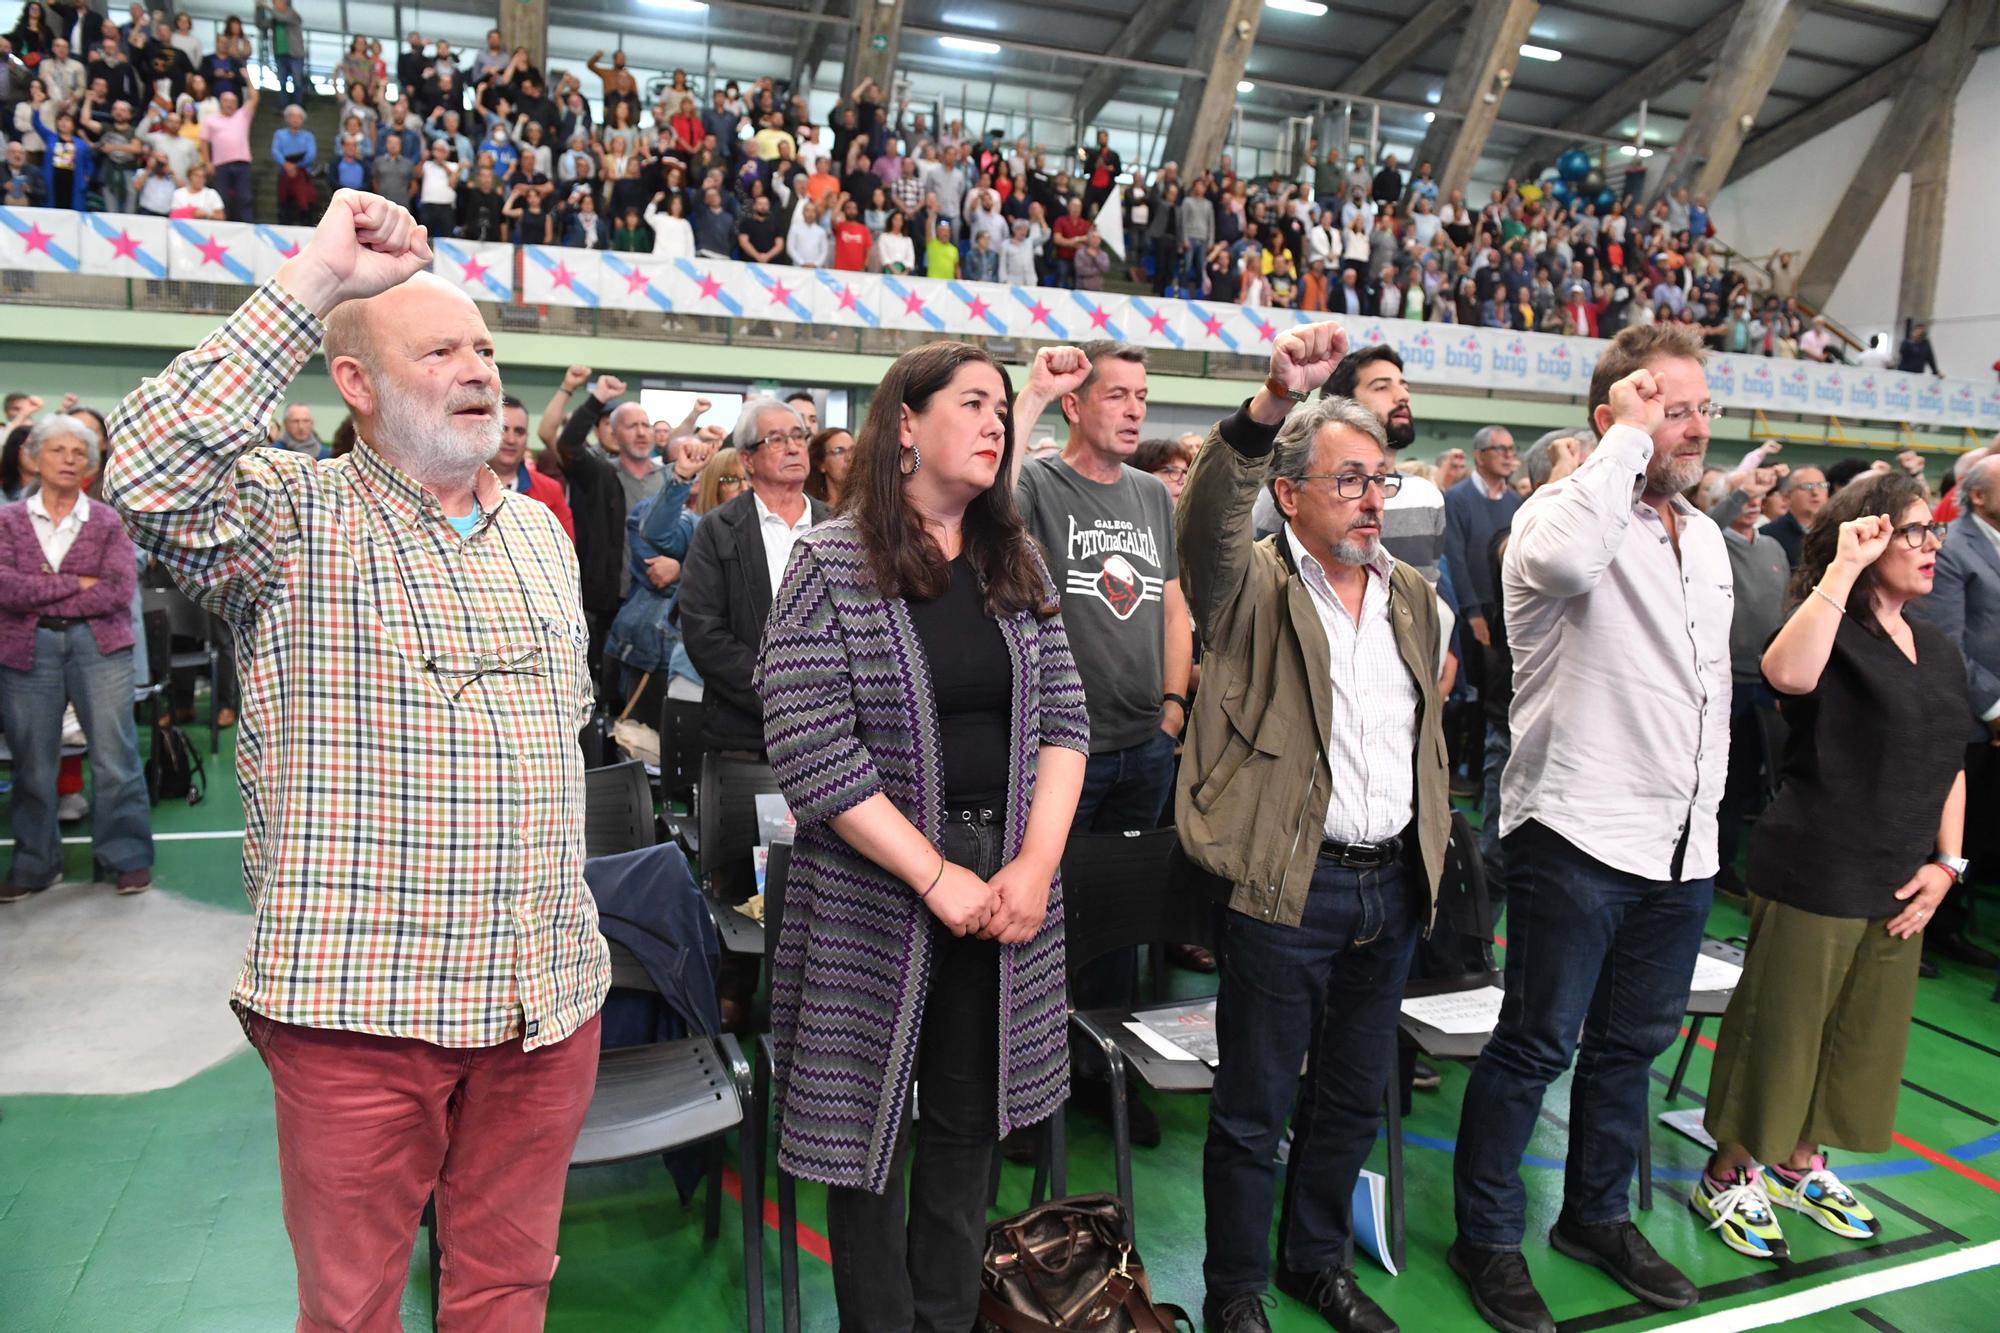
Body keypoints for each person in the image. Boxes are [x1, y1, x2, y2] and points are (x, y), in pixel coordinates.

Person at [102, 190, 608, 1328]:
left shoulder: (535, 528)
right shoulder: (290, 517)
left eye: (484, 345)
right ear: (357, 385)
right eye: (438, 349)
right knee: (351, 1306)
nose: (477, 366)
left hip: (544, 998)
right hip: (361, 1009)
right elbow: (141, 465)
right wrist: (315, 281)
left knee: (508, 1287)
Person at [756, 340, 1088, 1331]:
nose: (996, 423)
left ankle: (945, 1315)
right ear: (905, 422)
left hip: (1007, 882)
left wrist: (1032, 864)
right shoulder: (830, 560)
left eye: (1001, 407)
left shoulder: (1011, 556)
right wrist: (933, 872)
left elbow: (1064, 722)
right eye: (974, 403)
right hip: (876, 888)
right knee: (864, 1139)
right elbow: (810, 748)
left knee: (966, 1123)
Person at [1452, 325, 1731, 1333]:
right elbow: (1569, 564)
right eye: (1670, 406)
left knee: (1629, 1048)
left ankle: (1594, 1215)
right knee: (1533, 1045)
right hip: (1574, 831)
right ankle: (1484, 1236)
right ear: (1615, 412)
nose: (1690, 425)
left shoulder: (1699, 536)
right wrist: (1623, 436)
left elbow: (1704, 688)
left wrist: (1703, 816)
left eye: (1699, 407)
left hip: (1678, 843)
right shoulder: (1554, 513)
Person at [1180, 324, 1449, 1333]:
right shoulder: (1249, 583)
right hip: (1286, 887)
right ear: (1288, 494)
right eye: (1348, 480)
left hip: (1390, 887)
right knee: (1252, 1110)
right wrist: (1263, 409)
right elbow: (1205, 523)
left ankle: (1314, 1261)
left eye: (1378, 479)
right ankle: (1234, 1290)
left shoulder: (1409, 597)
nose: (1372, 499)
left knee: (1346, 1101)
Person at [1694, 475, 1965, 1259]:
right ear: (1868, 535)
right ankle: (1727, 1172)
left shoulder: (1937, 644)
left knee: (1859, 1038)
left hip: (1903, 877)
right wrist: (1842, 570)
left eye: (1932, 532)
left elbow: (1951, 761)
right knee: (1781, 1032)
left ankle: (1797, 1162)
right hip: (1819, 864)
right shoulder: (1830, 623)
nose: (1929, 547)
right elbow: (1787, 675)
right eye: (1912, 532)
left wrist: (1948, 864)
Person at [0, 415, 152, 902]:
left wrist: (40, 590)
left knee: (115, 757)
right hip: (28, 648)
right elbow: (6, 588)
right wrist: (72, 585)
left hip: (101, 647)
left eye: (78, 453)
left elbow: (114, 593)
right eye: (56, 450)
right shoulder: (6, 522)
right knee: (32, 762)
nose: (68, 460)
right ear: (33, 457)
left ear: (90, 465)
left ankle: (126, 858)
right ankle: (34, 864)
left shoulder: (109, 521)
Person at [677, 397, 829, 759]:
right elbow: (704, 632)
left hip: (833, 736)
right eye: (775, 439)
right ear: (747, 459)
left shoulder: (839, 526)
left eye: (798, 436)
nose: (793, 447)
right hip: (746, 734)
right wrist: (780, 694)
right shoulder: (718, 529)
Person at [1909, 455, 2000, 968]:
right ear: (1979, 496)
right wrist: (1994, 707)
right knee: (1938, 830)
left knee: (1979, 833)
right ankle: (1917, 925)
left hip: (1990, 718)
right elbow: (1946, 642)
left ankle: (1947, 924)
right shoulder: (1952, 548)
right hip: (1965, 716)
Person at [1711, 464, 1789, 896]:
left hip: (1766, 680)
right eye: (1744, 494)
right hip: (1727, 679)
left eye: (1761, 494)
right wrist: (1739, 492)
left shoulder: (1774, 547)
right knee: (1727, 778)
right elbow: (1709, 522)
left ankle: (1738, 861)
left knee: (1756, 780)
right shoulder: (1712, 540)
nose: (1755, 499)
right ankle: (1717, 864)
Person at [491, 395, 573, 542]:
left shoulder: (550, 490)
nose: (511, 440)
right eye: (503, 429)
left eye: (519, 431)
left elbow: (566, 551)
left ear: (527, 437)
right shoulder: (462, 487)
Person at [1763, 466, 1826, 567]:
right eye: (1807, 487)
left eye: (1821, 486)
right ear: (1787, 496)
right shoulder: (1767, 535)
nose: (1815, 492)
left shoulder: (1836, 531)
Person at [805, 426, 854, 509]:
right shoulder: (814, 511)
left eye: (853, 450)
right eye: (839, 451)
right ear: (821, 464)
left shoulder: (866, 505)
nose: (849, 457)